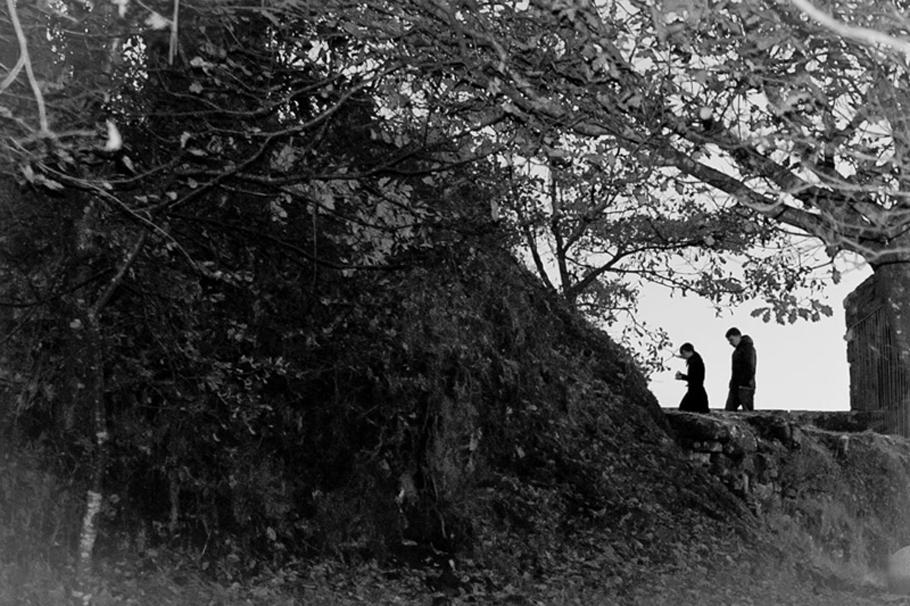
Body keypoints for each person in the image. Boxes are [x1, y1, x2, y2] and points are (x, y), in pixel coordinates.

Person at [724, 327, 757, 411]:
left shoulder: (748, 349)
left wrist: (743, 382)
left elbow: (750, 367)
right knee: (729, 411)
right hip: (736, 386)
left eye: (731, 340)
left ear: (738, 336)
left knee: (747, 412)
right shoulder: (737, 351)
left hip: (745, 386)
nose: (730, 343)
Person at [674, 342, 709, 413]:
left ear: (687, 351)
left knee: (684, 410)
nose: (683, 356)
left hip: (695, 392)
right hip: (697, 391)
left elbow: (694, 379)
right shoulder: (696, 359)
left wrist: (682, 377)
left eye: (683, 353)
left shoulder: (695, 363)